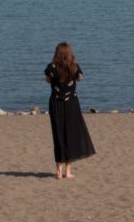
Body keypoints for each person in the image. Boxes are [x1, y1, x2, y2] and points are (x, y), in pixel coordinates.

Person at [44, 42, 96, 179]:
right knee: (70, 135)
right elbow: (80, 78)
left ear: (57, 53)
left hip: (56, 104)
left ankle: (58, 171)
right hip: (71, 103)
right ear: (69, 53)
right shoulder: (74, 67)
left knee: (58, 135)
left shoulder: (52, 67)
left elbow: (47, 80)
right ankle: (68, 171)